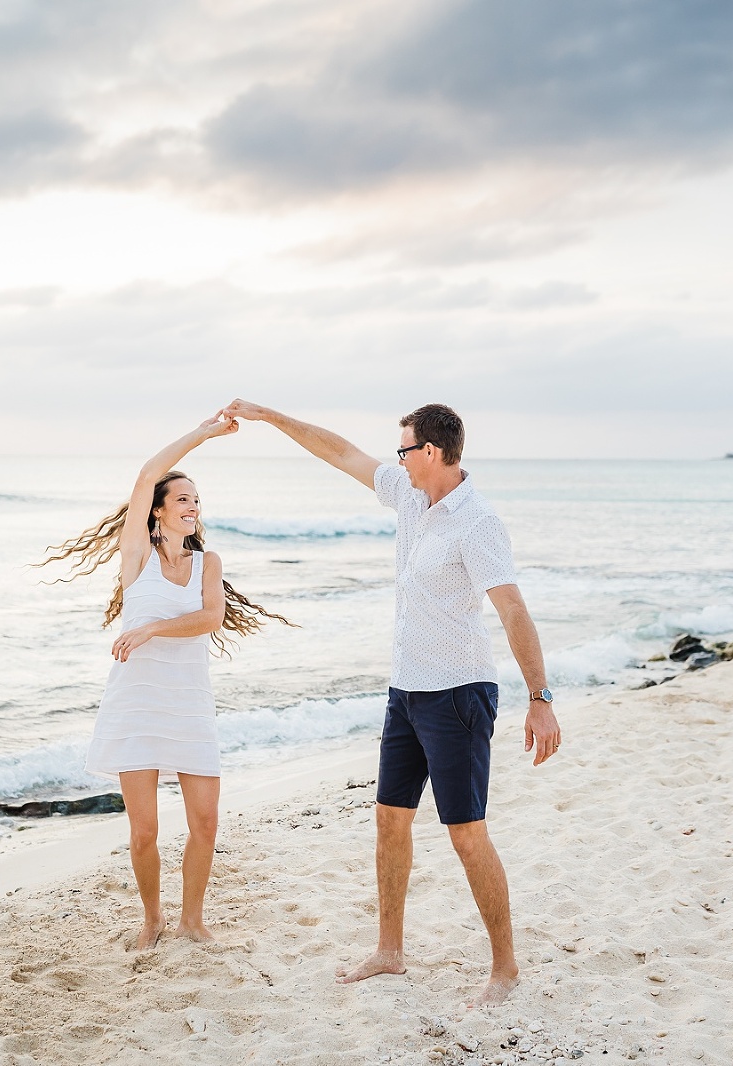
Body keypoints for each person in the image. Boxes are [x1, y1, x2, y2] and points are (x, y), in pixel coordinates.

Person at [219, 399, 561, 1006]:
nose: (395, 459)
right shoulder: (408, 496)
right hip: (405, 691)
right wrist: (270, 417)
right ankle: (389, 950)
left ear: (431, 452)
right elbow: (340, 452)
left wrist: (539, 698)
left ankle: (504, 968)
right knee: (389, 817)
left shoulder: (476, 521)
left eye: (404, 449)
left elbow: (512, 609)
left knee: (465, 832)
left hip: (458, 694)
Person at [37, 415, 293, 950]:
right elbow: (147, 471)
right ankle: (151, 919)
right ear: (157, 510)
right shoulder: (138, 557)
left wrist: (151, 627)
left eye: (196, 500)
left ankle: (192, 921)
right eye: (182, 499)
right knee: (145, 831)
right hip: (137, 704)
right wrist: (204, 432)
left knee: (205, 823)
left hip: (189, 703)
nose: (192, 506)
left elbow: (210, 619)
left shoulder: (208, 562)